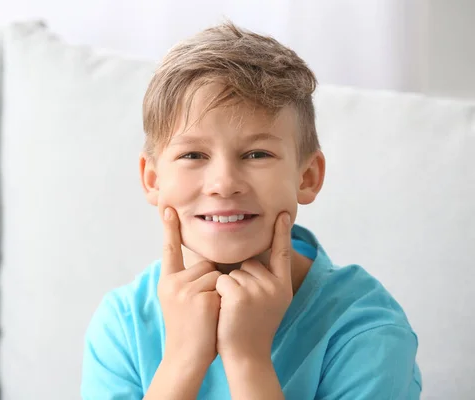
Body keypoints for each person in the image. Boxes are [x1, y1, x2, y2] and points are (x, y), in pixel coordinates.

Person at [81, 21, 422, 399]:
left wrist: (247, 360)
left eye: (257, 154)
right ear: (153, 180)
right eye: (193, 154)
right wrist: (181, 360)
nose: (224, 183)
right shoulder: (124, 323)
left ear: (306, 177)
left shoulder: (367, 331)